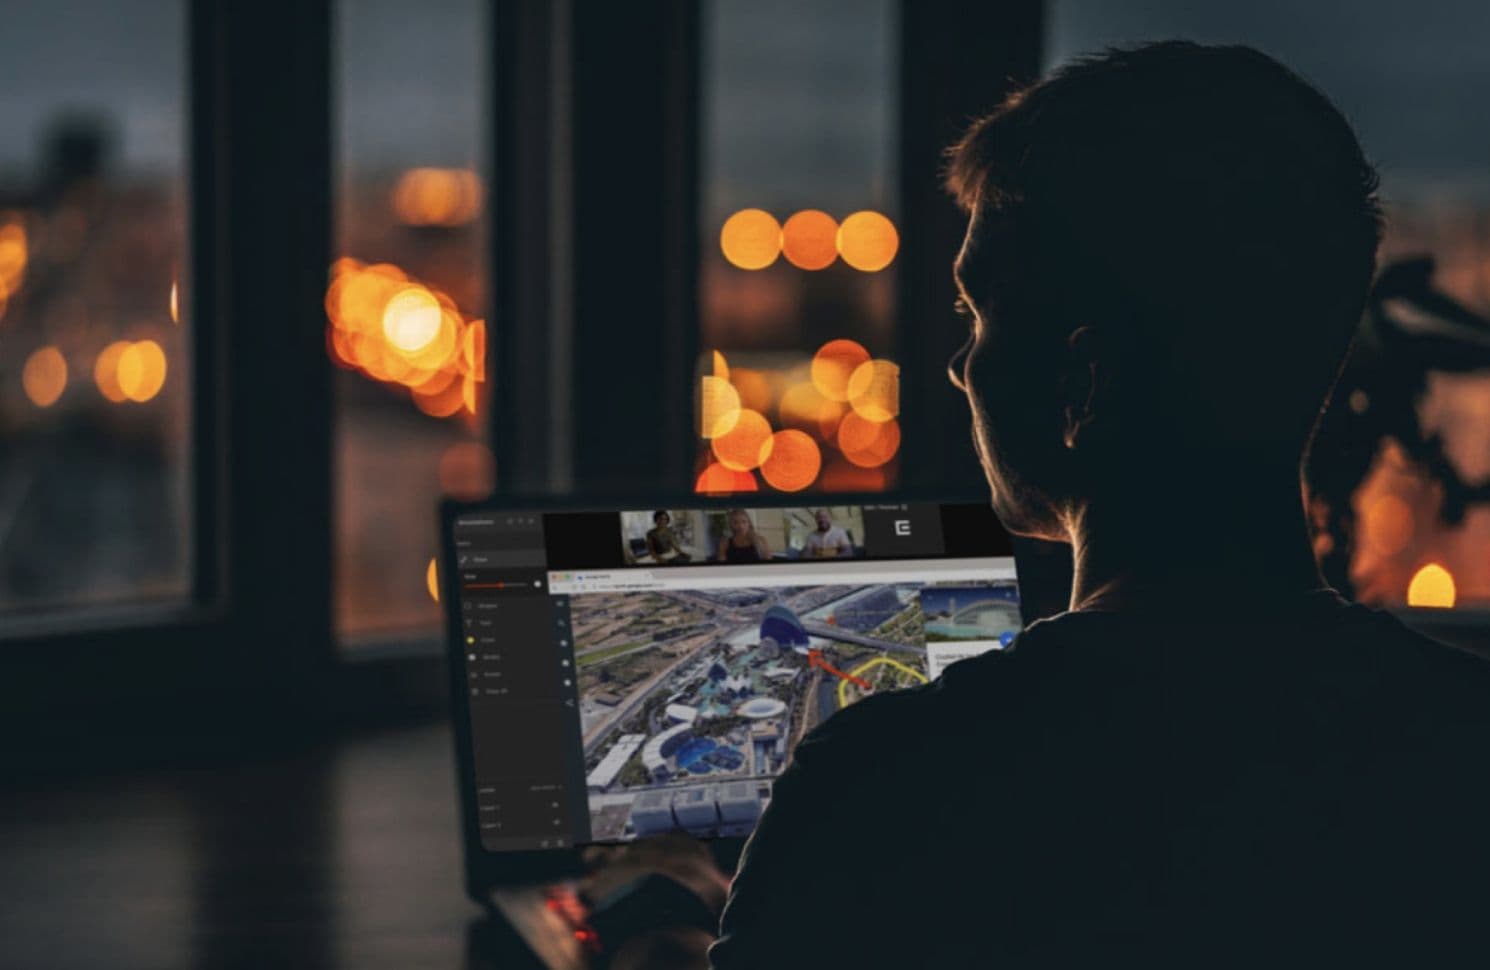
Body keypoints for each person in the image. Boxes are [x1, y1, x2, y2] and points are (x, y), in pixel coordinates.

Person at [710, 42, 1490, 967]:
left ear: (1083, 379)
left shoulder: (882, 787)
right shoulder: (1460, 747)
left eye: (978, 315)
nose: (959, 367)